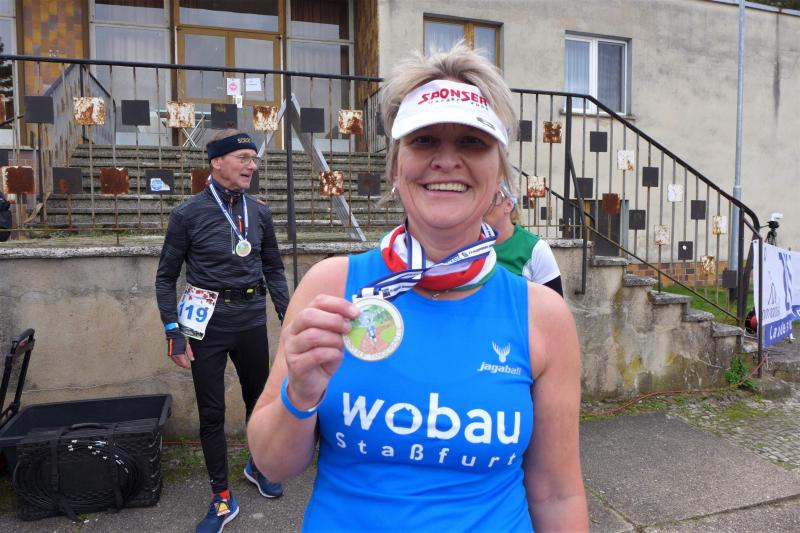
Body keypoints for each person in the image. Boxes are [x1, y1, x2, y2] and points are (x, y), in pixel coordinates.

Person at [247, 45, 588, 532]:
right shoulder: (333, 285)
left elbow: (558, 493)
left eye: (472, 142)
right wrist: (300, 394)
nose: (446, 160)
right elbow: (272, 464)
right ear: (395, 166)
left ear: (500, 172)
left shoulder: (542, 316)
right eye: (424, 140)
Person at [155, 129, 290, 533]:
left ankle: (258, 466)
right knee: (212, 412)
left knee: (259, 402)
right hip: (206, 326)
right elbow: (165, 277)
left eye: (254, 158)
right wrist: (173, 331)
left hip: (250, 319)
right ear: (216, 162)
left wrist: (288, 315)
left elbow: (274, 268)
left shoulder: (260, 212)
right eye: (244, 158)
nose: (253, 165)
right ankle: (221, 495)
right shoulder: (187, 214)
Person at [484, 179, 564, 296]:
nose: (482, 205)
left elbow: (555, 303)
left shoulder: (535, 249)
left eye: (492, 198)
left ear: (509, 205)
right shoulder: (465, 243)